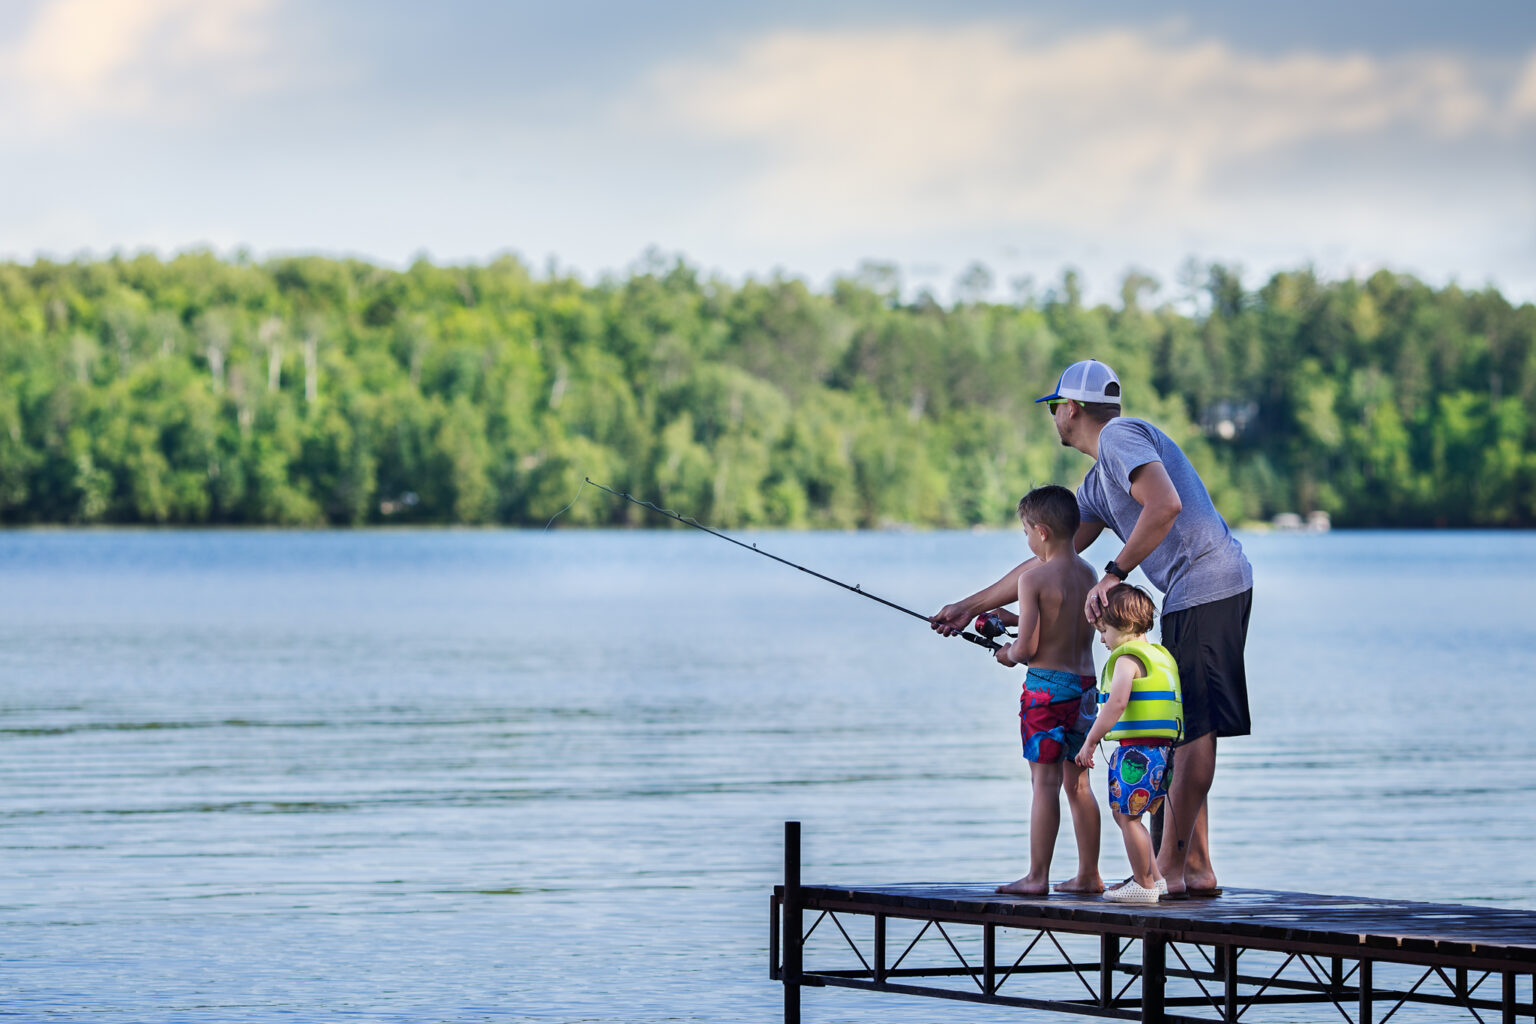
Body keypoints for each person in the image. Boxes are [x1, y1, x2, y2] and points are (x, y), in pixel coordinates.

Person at [933, 358, 1251, 898]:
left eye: (1055, 408)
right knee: (1183, 725)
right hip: (1191, 592)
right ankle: (1192, 866)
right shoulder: (1101, 482)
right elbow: (1051, 562)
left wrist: (1115, 572)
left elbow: (1165, 505)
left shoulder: (1121, 438)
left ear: (1071, 409)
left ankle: (1172, 872)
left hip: (1208, 581)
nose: (1054, 418)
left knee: (1194, 728)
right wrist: (973, 604)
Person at [988, 485, 1103, 896]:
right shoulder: (1089, 574)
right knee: (1079, 784)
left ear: (1040, 532)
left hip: (1045, 693)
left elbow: (1028, 649)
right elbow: (1062, 618)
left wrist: (1006, 652)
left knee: (1044, 785)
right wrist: (1015, 618)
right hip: (1086, 689)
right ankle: (1089, 875)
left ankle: (1037, 877)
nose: (1026, 540)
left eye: (1025, 532)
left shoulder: (1032, 578)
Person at [1075, 585, 1182, 903]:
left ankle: (1144, 885)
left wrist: (1091, 740)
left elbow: (1117, 702)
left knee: (1128, 818)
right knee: (1133, 816)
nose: (1102, 639)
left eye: (1103, 630)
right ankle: (1156, 879)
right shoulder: (1159, 656)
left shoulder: (1127, 661)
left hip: (1138, 752)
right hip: (1163, 753)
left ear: (1122, 625)